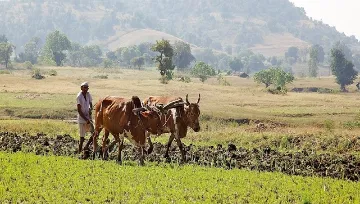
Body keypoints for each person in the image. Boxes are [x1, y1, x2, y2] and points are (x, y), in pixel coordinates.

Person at [76, 82, 94, 154]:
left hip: (88, 118)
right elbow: (79, 111)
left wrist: (90, 108)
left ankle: (86, 146)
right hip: (82, 119)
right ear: (81, 88)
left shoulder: (88, 94)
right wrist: (86, 119)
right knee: (82, 137)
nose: (86, 89)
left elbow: (90, 103)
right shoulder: (79, 97)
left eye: (87, 88)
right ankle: (79, 152)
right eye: (85, 87)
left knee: (94, 134)